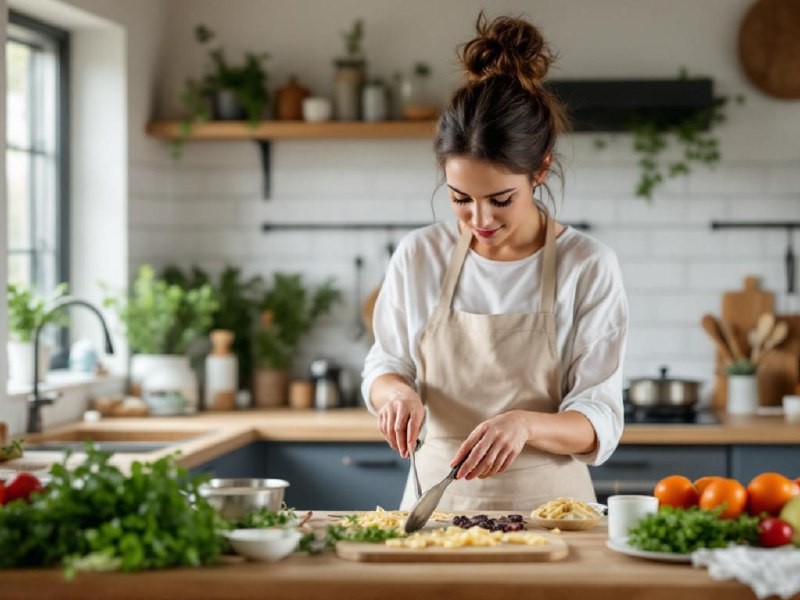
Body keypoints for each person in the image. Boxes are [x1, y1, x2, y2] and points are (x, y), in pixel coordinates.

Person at [361, 13, 628, 511]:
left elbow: (599, 417)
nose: (479, 218)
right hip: (434, 512)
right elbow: (385, 363)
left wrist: (525, 423)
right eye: (460, 197)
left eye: (501, 199)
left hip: (555, 518)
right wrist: (394, 394)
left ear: (541, 168)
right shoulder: (420, 255)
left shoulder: (587, 266)